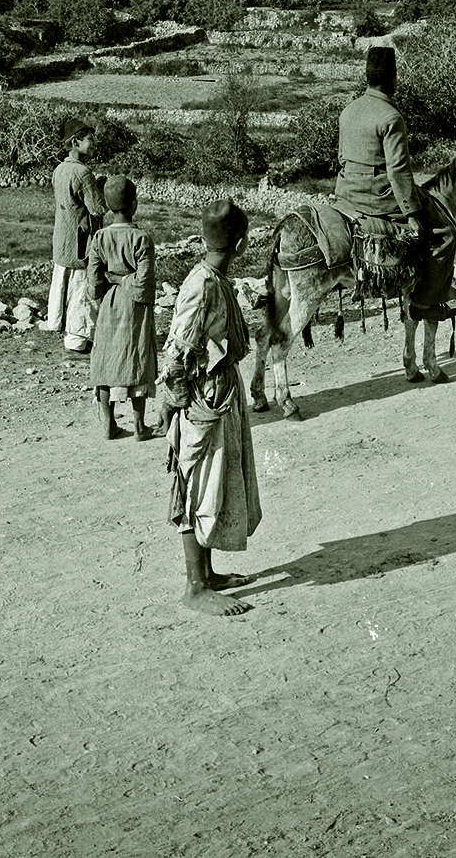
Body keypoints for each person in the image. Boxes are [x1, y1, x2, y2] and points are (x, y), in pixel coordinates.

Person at [161, 199, 261, 618]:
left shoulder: (214, 278)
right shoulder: (202, 286)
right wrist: (179, 404)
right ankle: (195, 587)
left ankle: (209, 572)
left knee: (211, 486)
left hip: (217, 394)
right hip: (204, 401)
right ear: (239, 243)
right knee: (193, 486)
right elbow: (175, 355)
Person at [334, 44, 456, 320]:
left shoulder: (348, 110)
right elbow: (399, 171)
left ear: (367, 76)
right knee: (444, 235)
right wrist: (412, 214)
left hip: (346, 193)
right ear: (393, 79)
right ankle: (425, 303)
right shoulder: (391, 117)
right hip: (378, 196)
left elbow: (342, 157)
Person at [87, 175, 159, 442]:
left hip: (109, 303)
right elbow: (144, 286)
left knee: (106, 360)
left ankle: (109, 424)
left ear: (106, 205)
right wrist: (124, 279)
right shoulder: (142, 239)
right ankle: (140, 427)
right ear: (135, 205)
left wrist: (112, 281)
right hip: (134, 307)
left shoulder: (99, 238)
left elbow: (94, 283)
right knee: (136, 357)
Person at [45, 117, 107, 353]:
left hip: (63, 240)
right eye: (90, 139)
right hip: (82, 242)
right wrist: (102, 189)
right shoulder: (83, 174)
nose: (94, 144)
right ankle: (78, 340)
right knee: (81, 292)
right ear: (75, 142)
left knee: (64, 287)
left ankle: (67, 332)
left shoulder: (59, 169)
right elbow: (97, 209)